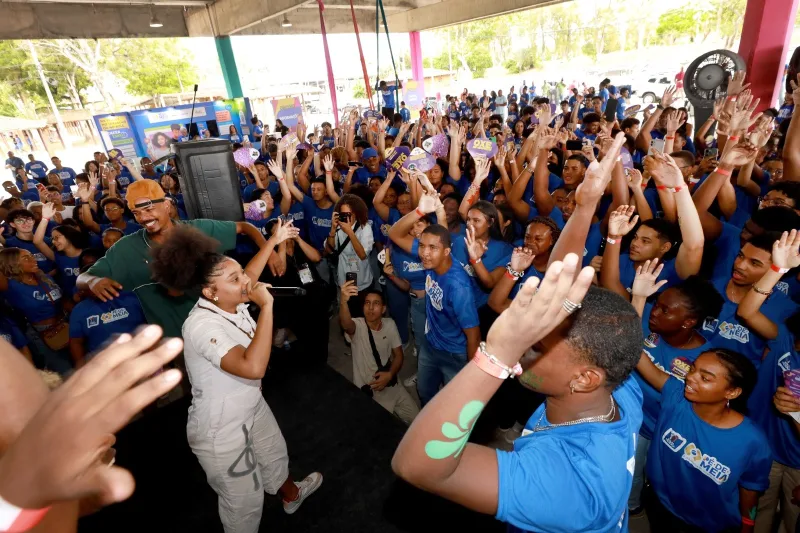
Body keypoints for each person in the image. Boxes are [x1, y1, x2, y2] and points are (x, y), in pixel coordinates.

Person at [392, 254, 645, 532]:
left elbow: (415, 466)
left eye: (536, 343)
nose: (523, 344)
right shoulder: (622, 390)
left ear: (584, 379)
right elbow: (617, 338)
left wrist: (496, 355)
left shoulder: (565, 480)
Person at [149, 223, 322, 531]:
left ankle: (291, 494)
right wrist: (267, 306)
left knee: (273, 454)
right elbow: (252, 367)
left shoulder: (232, 297)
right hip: (220, 427)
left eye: (241, 272)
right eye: (235, 278)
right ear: (209, 293)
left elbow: (250, 275)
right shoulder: (202, 326)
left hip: (249, 402)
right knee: (244, 502)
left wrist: (273, 241)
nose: (247, 282)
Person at [633, 258, 770, 533]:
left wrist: (748, 525)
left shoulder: (752, 441)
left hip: (709, 526)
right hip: (659, 508)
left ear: (732, 391)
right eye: (693, 370)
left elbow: (750, 492)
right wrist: (638, 297)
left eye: (705, 378)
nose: (691, 378)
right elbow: (637, 352)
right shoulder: (675, 396)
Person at [75, 179, 269, 339]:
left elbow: (244, 227)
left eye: (149, 209)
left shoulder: (197, 229)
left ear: (166, 205)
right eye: (136, 213)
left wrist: (271, 251)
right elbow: (83, 278)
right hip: (179, 343)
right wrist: (93, 280)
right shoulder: (126, 249)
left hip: (227, 330)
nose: (143, 218)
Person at [389, 193, 480, 406]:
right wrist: (419, 211)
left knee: (453, 404)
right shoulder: (432, 260)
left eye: (432, 248)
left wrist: (471, 374)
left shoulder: (458, 287)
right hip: (431, 345)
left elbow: (473, 335)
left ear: (447, 252)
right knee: (425, 392)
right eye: (421, 246)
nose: (424, 254)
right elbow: (395, 233)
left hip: (454, 354)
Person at [340, 282, 419, 423]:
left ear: (383, 309)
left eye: (375, 303)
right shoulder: (357, 325)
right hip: (371, 392)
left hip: (392, 384)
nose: (370, 308)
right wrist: (343, 302)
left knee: (419, 422)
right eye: (367, 303)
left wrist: (390, 374)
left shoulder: (389, 324)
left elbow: (399, 355)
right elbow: (347, 325)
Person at [68, 248, 147, 367]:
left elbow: (149, 324)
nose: (97, 288)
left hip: (139, 358)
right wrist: (80, 368)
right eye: (92, 284)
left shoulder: (131, 298)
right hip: (104, 366)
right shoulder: (79, 311)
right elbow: (76, 343)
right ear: (83, 290)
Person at [0, 248, 71, 374]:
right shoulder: (10, 286)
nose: (33, 259)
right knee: (65, 371)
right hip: (42, 335)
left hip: (65, 325)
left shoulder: (44, 278)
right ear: (11, 264)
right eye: (26, 258)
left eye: (32, 256)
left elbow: (63, 300)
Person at [328, 194, 374, 316]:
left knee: (363, 316)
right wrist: (332, 230)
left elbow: (363, 255)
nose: (346, 218)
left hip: (363, 282)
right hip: (344, 282)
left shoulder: (365, 228)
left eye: (349, 215)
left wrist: (350, 232)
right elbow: (329, 249)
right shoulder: (337, 228)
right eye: (343, 215)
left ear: (356, 214)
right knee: (347, 315)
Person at [32, 204, 87, 298]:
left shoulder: (89, 255)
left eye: (57, 237)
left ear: (70, 236)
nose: (53, 241)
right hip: (68, 298)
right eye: (52, 238)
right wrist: (45, 218)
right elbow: (37, 241)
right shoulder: (57, 257)